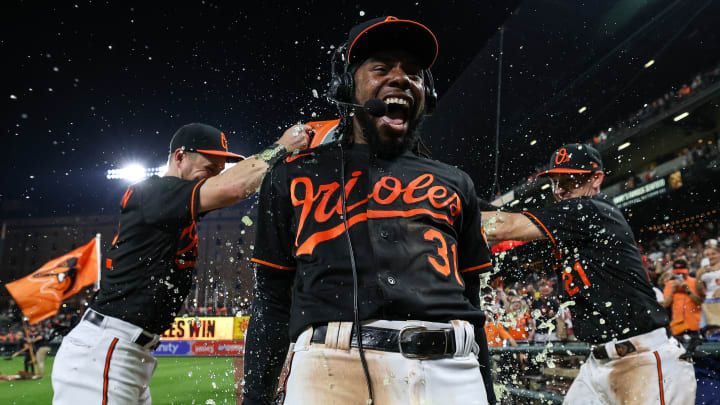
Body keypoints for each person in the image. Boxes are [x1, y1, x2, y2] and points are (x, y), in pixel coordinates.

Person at [244, 16, 496, 405]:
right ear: (347, 85)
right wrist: (257, 398)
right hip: (331, 370)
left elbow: (473, 303)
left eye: (412, 72)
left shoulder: (457, 182)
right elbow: (271, 301)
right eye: (381, 68)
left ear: (425, 91)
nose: (400, 78)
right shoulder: (291, 176)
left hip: (453, 371)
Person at [51, 122, 309, 405]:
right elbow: (235, 185)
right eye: (209, 169)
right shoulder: (156, 191)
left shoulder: (172, 203)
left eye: (218, 171)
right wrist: (283, 146)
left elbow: (241, 178)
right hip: (105, 351)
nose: (213, 177)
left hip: (127, 352)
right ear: (179, 157)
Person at [482, 143, 696, 404]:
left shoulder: (593, 210)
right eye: (555, 182)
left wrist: (444, 204)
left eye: (569, 180)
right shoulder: (572, 226)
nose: (560, 190)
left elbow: (504, 227)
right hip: (598, 362)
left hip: (644, 360)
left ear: (596, 179)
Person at [662, 259, 703, 337]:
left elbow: (700, 302)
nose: (680, 275)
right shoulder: (670, 284)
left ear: (688, 270)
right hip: (677, 324)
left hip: (695, 323)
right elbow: (665, 305)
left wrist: (687, 290)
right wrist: (672, 292)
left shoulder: (695, 282)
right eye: (677, 273)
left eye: (682, 272)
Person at [696, 245, 720, 327]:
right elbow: (699, 290)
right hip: (709, 300)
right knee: (707, 331)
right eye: (707, 255)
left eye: (714, 253)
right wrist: (699, 275)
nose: (710, 257)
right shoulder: (704, 269)